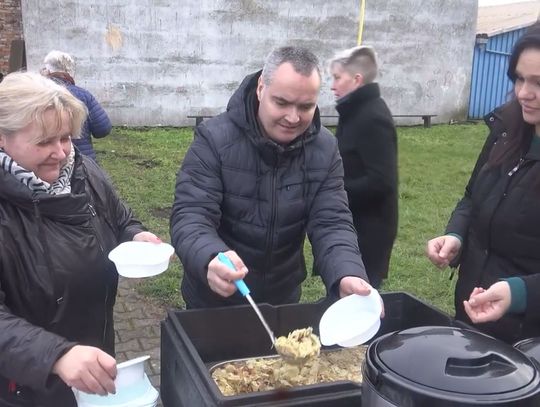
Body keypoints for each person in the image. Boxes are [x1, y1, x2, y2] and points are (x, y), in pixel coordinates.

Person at [0, 71, 161, 406]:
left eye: (65, 137)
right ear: (3, 137)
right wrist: (56, 355)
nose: (60, 153)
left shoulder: (82, 170)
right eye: (44, 142)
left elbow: (119, 217)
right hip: (27, 383)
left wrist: (135, 235)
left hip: (92, 358)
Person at [170, 46, 374, 309]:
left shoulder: (325, 149)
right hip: (215, 298)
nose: (293, 117)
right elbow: (191, 214)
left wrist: (346, 272)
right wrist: (210, 256)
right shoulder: (214, 139)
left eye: (305, 106)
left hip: (282, 298)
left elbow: (332, 221)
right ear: (260, 88)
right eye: (282, 102)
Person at [426, 22, 540, 343]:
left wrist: (519, 293)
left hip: (527, 341)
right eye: (519, 78)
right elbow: (473, 195)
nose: (523, 93)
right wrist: (456, 235)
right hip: (471, 315)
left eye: (538, 82)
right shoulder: (506, 128)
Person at [328, 45, 398, 288]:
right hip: (352, 222)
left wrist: (336, 190)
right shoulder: (353, 111)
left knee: (360, 300)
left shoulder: (372, 117)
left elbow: (382, 181)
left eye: (337, 78)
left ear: (357, 79)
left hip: (369, 231)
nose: (332, 85)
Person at [41, 50, 112, 161]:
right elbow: (103, 129)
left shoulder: (36, 96)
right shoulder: (84, 96)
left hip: (46, 161)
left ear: (48, 70)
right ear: (70, 71)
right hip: (82, 163)